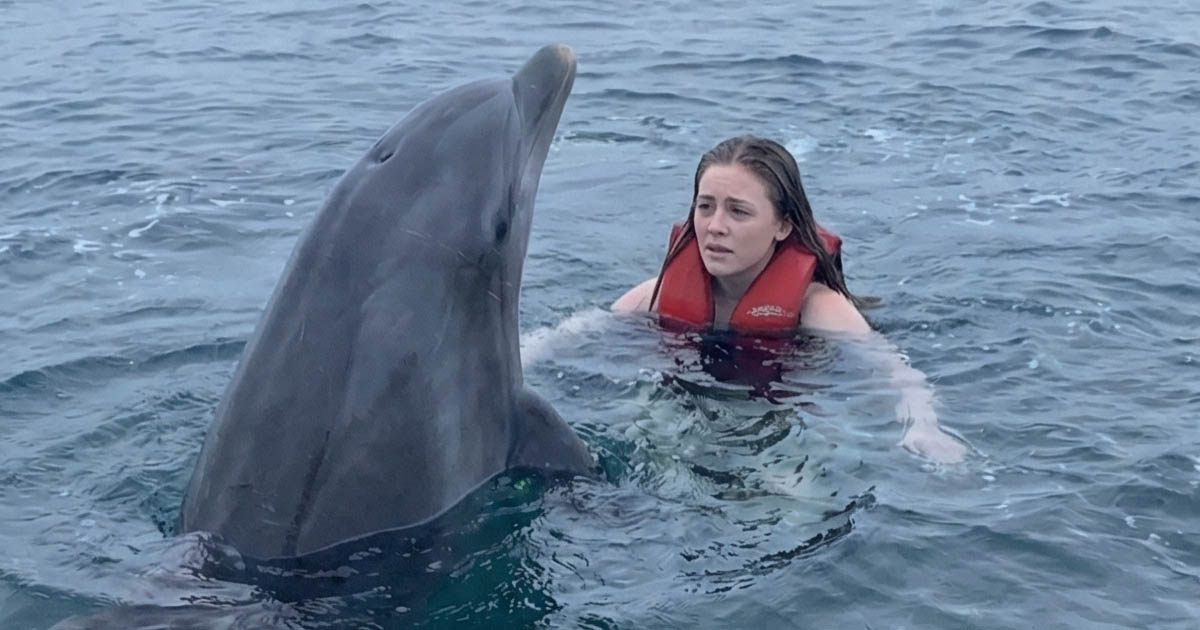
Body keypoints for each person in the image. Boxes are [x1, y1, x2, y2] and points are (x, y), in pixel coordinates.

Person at [612, 135, 967, 464]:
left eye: (738, 211)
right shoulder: (658, 293)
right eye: (705, 207)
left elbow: (896, 374)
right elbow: (590, 332)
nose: (715, 226)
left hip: (781, 426)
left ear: (783, 226)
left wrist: (924, 428)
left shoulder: (819, 308)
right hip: (691, 413)